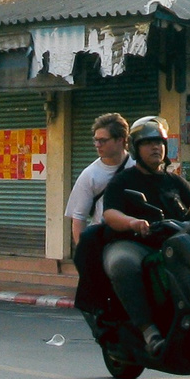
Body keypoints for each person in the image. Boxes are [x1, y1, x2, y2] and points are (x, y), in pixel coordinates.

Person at [97, 116, 190, 357]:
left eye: (159, 142)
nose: (156, 147)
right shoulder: (123, 180)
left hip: (174, 243)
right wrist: (132, 222)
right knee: (122, 264)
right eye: (148, 143)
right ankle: (148, 330)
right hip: (135, 243)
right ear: (135, 148)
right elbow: (111, 213)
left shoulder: (175, 180)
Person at [61, 114, 131, 270]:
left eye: (103, 140)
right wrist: (84, 254)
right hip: (104, 241)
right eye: (95, 140)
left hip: (135, 238)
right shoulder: (90, 175)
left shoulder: (137, 166)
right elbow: (79, 217)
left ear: (120, 140)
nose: (97, 145)